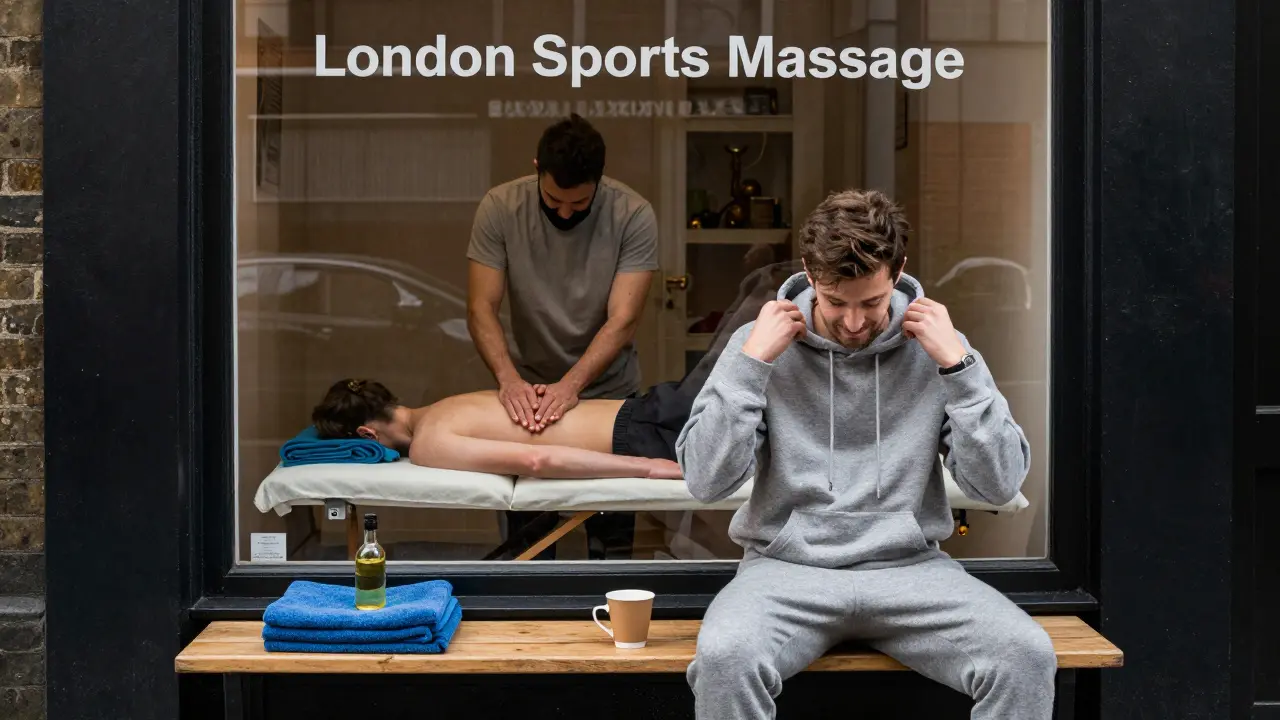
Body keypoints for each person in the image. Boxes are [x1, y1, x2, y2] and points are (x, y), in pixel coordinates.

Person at [676, 189, 1055, 719]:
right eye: (836, 303)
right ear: (809, 272)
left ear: (897, 272)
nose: (854, 324)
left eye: (871, 304)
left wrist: (959, 369)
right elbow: (705, 480)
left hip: (912, 570)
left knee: (1026, 656)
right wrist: (752, 364)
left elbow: (998, 485)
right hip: (785, 570)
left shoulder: (939, 345)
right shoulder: (758, 343)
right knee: (725, 658)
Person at [466, 112, 658, 559]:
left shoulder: (633, 213)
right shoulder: (500, 206)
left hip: (609, 394)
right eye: (553, 200)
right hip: (528, 394)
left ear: (599, 181)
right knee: (530, 539)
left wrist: (572, 387)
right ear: (537, 168)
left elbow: (623, 320)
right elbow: (480, 307)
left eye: (579, 203)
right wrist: (508, 380)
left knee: (609, 539)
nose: (566, 212)